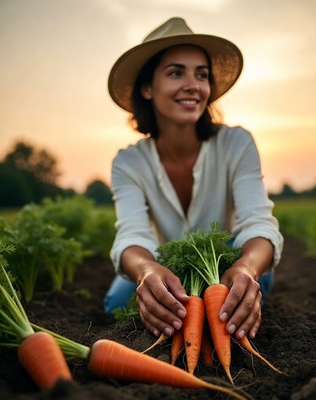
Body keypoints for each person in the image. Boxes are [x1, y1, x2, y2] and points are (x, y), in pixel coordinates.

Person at [104, 17, 283, 342]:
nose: (194, 85)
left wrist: (246, 268)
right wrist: (146, 270)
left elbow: (258, 223)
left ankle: (235, 295)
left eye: (201, 74)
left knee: (249, 279)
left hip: (225, 257)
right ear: (147, 88)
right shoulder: (128, 162)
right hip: (163, 261)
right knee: (118, 302)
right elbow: (131, 234)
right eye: (176, 73)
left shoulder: (236, 143)